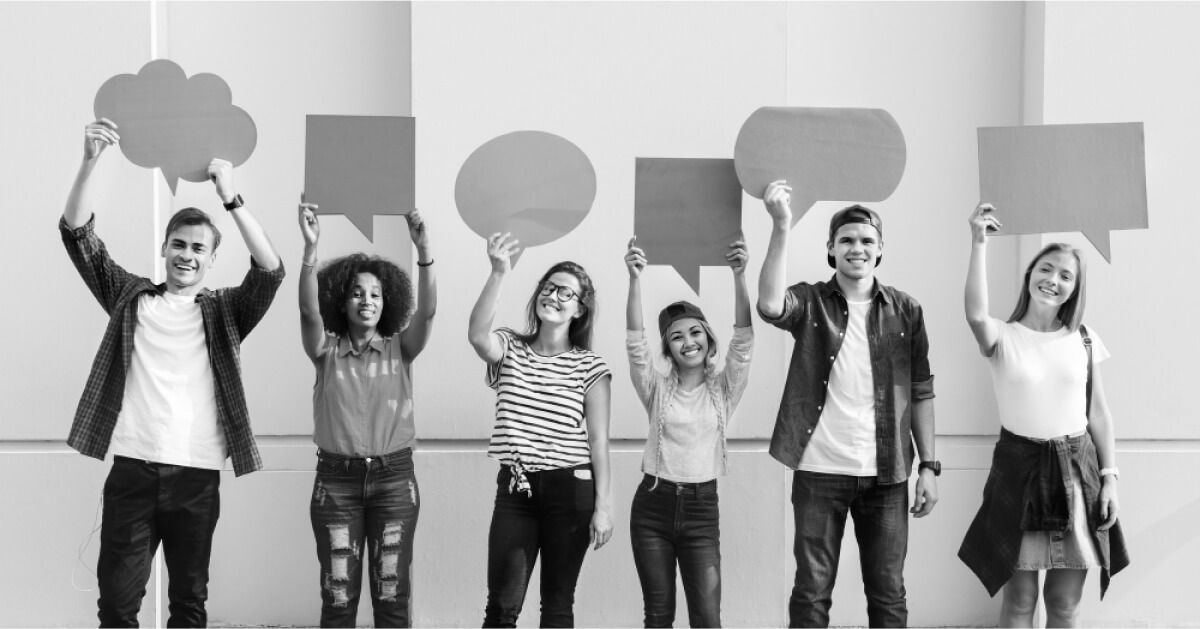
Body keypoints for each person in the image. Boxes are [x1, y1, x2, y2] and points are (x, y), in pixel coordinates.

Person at [61, 119, 284, 627]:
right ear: (164, 248)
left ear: (210, 259)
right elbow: (77, 236)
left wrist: (231, 198)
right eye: (179, 244)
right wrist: (90, 161)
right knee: (117, 607)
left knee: (189, 604)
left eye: (198, 248)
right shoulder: (130, 298)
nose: (187, 255)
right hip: (133, 469)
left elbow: (270, 270)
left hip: (196, 476)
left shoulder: (225, 312)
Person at [756, 180, 938, 628]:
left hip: (888, 473)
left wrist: (929, 467)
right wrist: (781, 226)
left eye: (866, 241)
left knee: (888, 593)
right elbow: (769, 304)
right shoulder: (813, 302)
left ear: (879, 251)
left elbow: (921, 390)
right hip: (820, 470)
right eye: (847, 240)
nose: (857, 248)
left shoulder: (905, 310)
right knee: (812, 593)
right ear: (831, 250)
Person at [957, 204, 1129, 627]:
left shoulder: (1084, 339)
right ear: (1030, 274)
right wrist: (978, 241)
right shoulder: (1003, 336)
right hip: (1019, 473)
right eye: (1046, 269)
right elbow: (976, 314)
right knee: (1019, 600)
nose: (1053, 280)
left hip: (1077, 474)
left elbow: (1099, 414)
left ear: (1074, 288)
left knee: (1064, 602)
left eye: (1065, 275)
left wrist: (1110, 479)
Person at [297, 198, 437, 627]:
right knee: (338, 599)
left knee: (392, 595)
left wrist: (424, 253)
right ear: (341, 299)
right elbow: (307, 311)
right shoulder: (325, 352)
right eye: (357, 292)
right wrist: (309, 250)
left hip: (394, 480)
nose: (367, 300)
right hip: (336, 483)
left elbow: (428, 312)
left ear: (388, 301)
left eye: (376, 294)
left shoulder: (401, 349)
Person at [467, 232, 613, 628]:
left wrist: (603, 506)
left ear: (580, 309)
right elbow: (478, 336)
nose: (554, 296)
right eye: (549, 287)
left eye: (567, 293)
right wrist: (498, 272)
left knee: (558, 607)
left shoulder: (591, 366)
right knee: (501, 607)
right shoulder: (511, 347)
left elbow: (598, 441)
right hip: (517, 490)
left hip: (572, 489)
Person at [623, 236, 753, 628]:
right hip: (652, 505)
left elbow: (744, 341)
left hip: (700, 507)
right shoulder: (656, 388)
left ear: (708, 338)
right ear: (668, 349)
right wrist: (633, 279)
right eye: (676, 337)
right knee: (659, 616)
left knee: (707, 617)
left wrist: (740, 276)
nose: (687, 341)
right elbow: (635, 344)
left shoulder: (724, 389)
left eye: (694, 332)